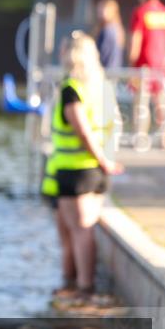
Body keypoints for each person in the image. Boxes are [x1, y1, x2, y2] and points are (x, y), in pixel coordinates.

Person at [41, 34, 123, 307]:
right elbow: (116, 125)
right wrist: (107, 160)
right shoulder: (102, 88)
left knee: (78, 232)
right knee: (77, 231)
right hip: (94, 173)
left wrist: (102, 159)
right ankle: (72, 285)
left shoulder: (71, 89)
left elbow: (82, 130)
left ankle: (83, 288)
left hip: (76, 173)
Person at [128, 0, 165, 147]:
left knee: (141, 103)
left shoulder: (141, 12)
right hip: (160, 65)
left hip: (143, 66)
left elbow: (135, 40)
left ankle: (140, 138)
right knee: (161, 102)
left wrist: (131, 61)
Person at [94, 0, 124, 71]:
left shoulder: (108, 30)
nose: (100, 12)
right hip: (114, 72)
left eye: (103, 9)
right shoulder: (117, 28)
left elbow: (103, 55)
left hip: (106, 73)